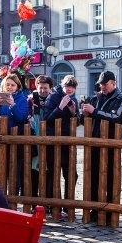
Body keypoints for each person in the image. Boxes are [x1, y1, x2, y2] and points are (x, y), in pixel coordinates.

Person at [81, 70, 122, 223]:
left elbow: (116, 117)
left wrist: (95, 111)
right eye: (101, 85)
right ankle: (94, 209)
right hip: (94, 143)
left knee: (110, 178)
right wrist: (84, 114)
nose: (103, 87)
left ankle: (109, 210)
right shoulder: (95, 98)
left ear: (113, 83)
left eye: (105, 84)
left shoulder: (120, 98)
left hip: (111, 144)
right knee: (93, 177)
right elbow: (84, 120)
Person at [42, 75, 81, 220]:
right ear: (62, 85)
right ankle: (54, 207)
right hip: (54, 142)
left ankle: (67, 206)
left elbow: (77, 123)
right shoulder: (53, 97)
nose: (70, 89)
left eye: (72, 87)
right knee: (53, 174)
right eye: (67, 86)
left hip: (68, 143)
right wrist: (60, 107)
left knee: (72, 174)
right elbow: (47, 119)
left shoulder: (74, 99)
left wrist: (73, 113)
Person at [28, 75, 53, 200]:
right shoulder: (30, 100)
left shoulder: (54, 100)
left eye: (46, 88)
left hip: (49, 137)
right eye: (40, 88)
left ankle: (48, 200)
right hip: (35, 138)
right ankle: (34, 199)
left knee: (49, 171)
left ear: (50, 89)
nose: (43, 90)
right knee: (34, 169)